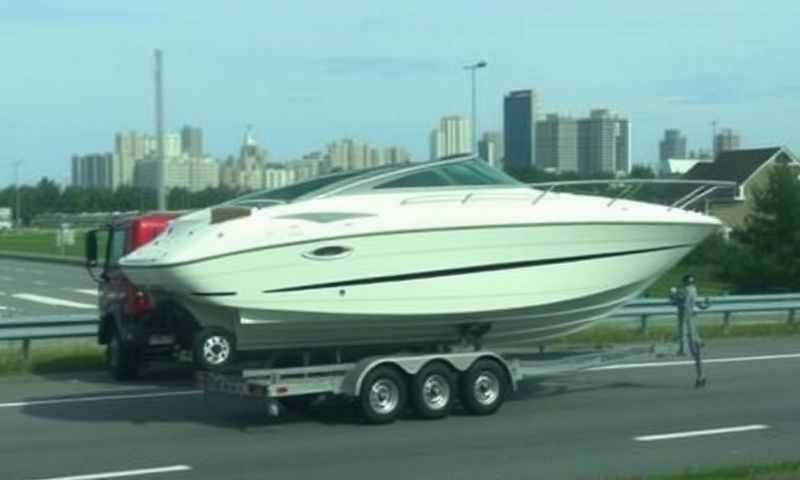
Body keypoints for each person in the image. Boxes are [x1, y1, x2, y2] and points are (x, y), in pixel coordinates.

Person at [670, 274, 710, 387]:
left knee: (688, 350)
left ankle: (701, 376)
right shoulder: (693, 291)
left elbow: (674, 301)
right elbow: (699, 305)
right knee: (696, 353)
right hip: (692, 323)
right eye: (690, 283)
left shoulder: (683, 292)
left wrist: (672, 292)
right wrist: (705, 304)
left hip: (686, 324)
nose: (690, 286)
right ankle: (701, 376)